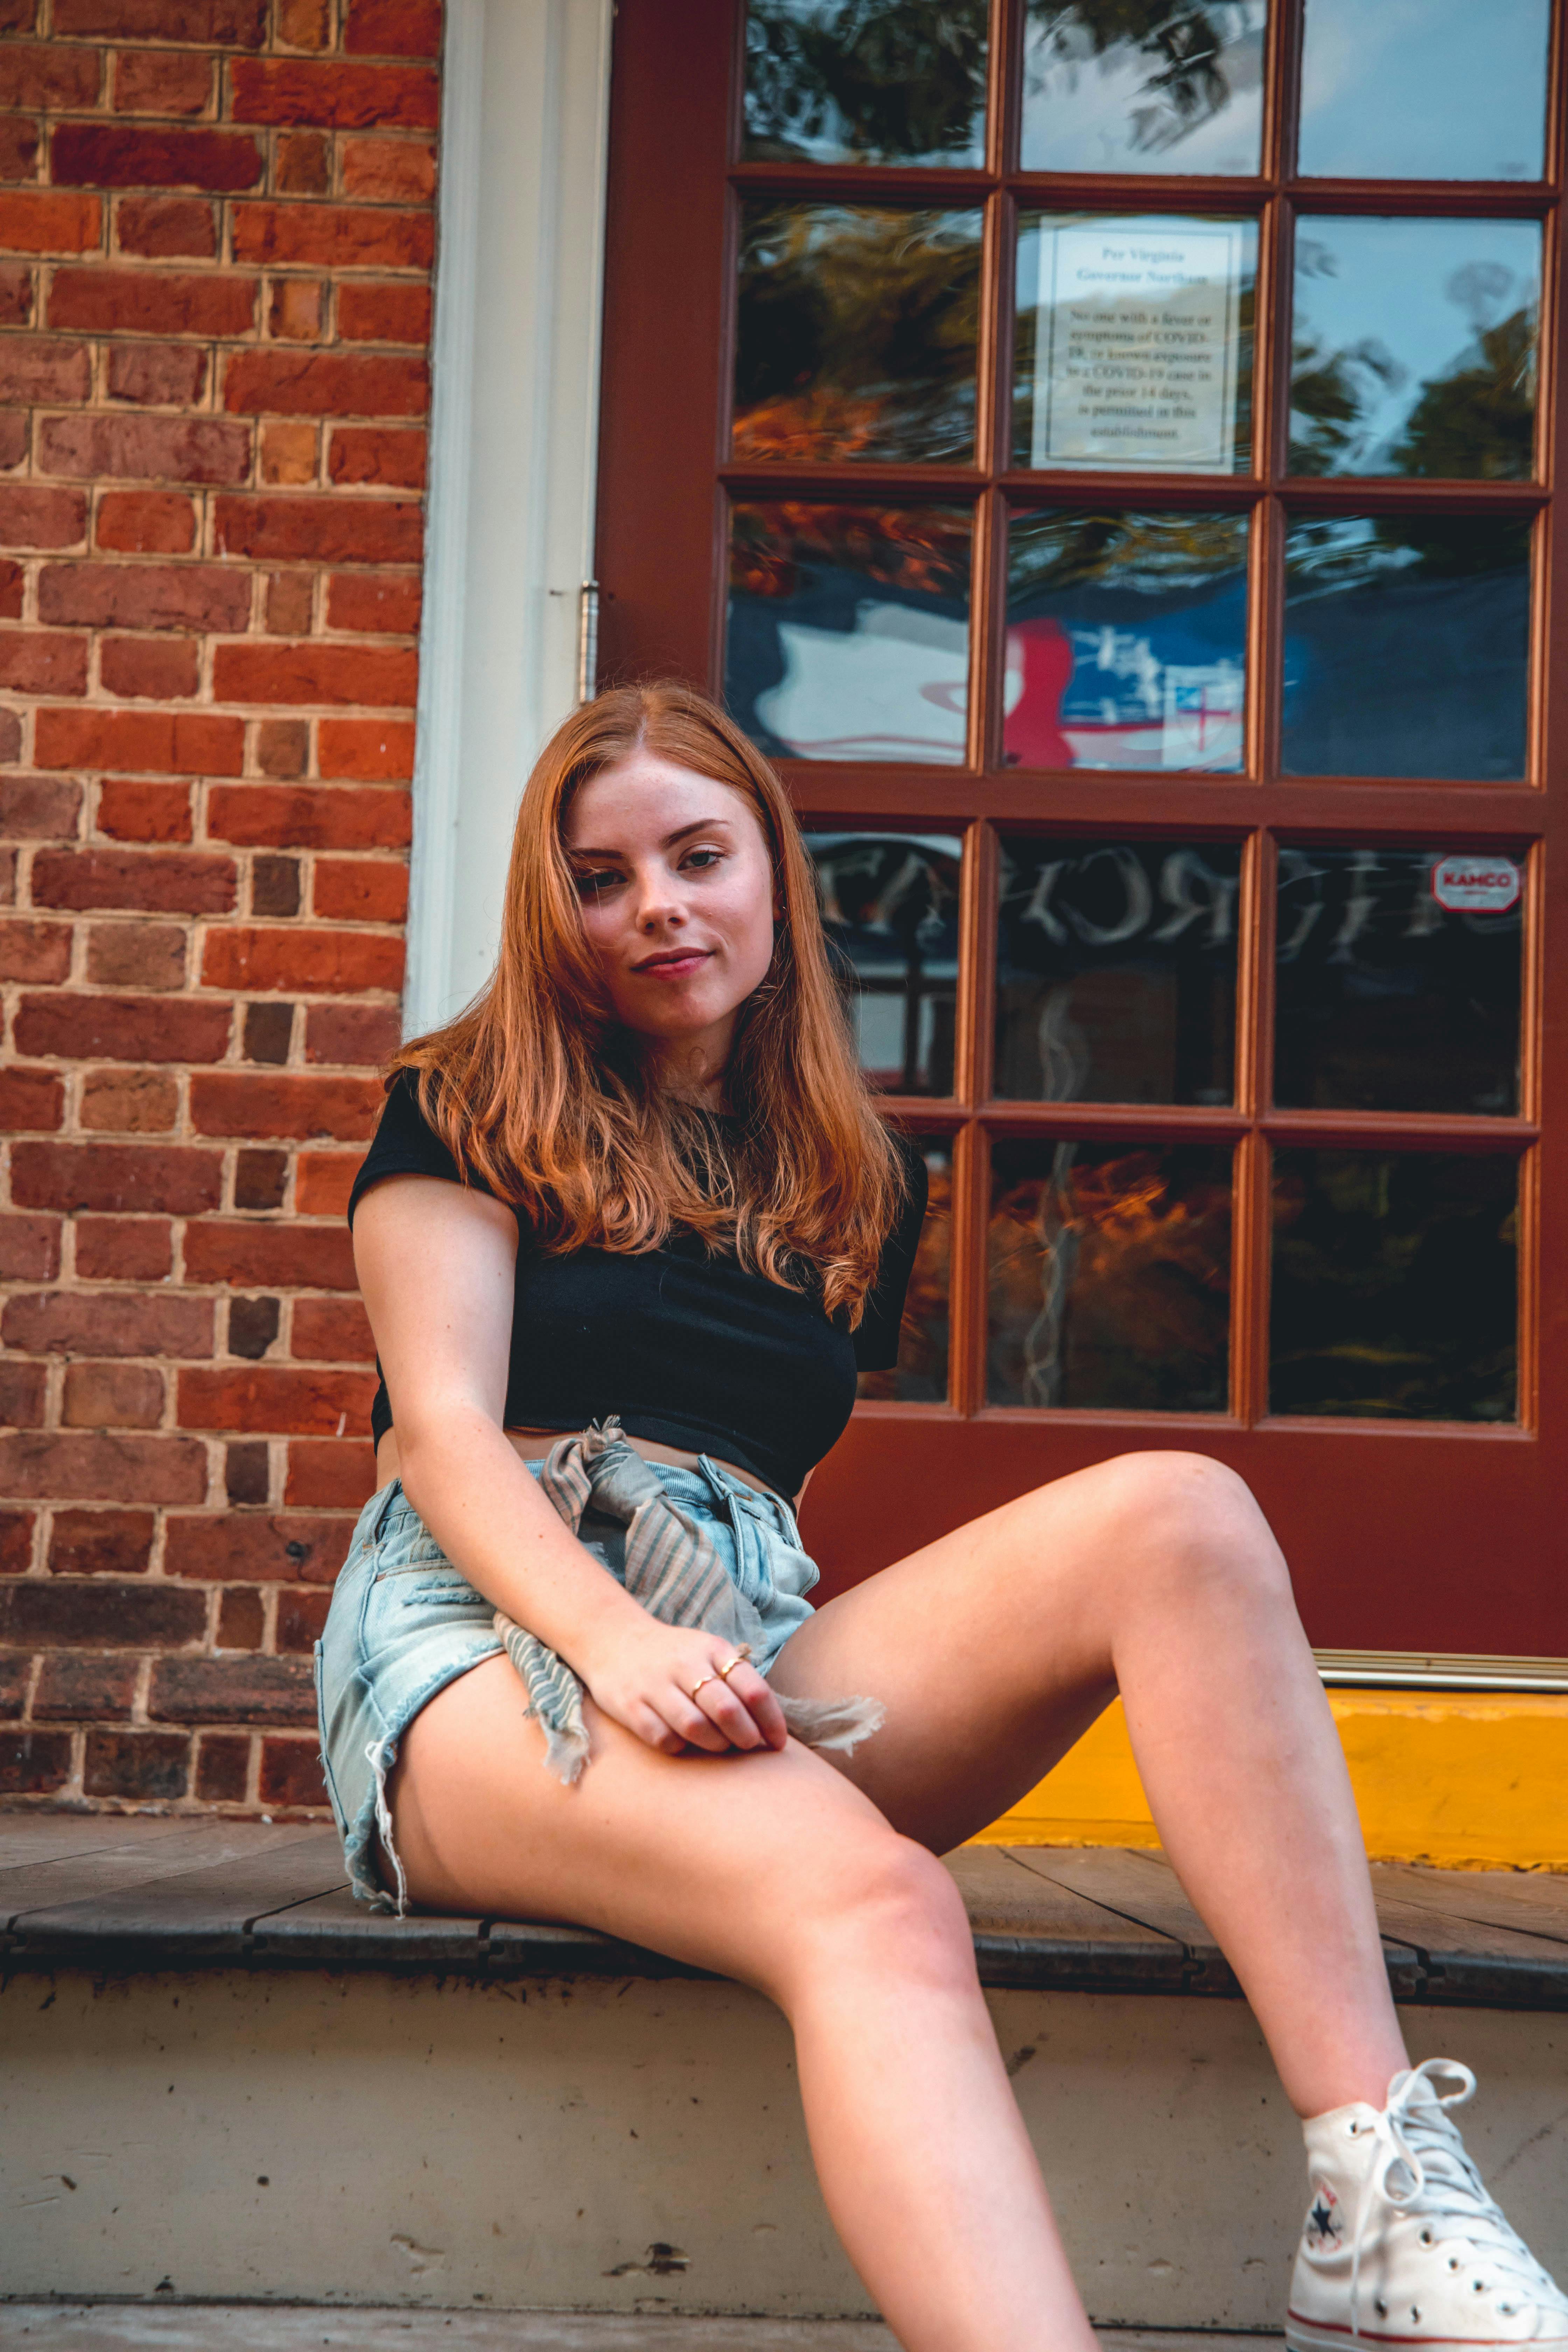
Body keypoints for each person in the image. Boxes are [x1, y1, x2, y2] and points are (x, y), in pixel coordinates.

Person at [316, 682, 1566, 2352]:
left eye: (698, 856)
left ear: (774, 872)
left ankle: (1375, 2197)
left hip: (734, 1638)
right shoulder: (468, 1098)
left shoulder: (847, 1171)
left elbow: (758, 1495)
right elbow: (443, 1435)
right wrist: (613, 1643)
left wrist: (701, 1656)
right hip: (483, 1649)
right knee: (884, 1900)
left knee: (1181, 1515)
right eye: (601, 879)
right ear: (554, 911)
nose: (657, 908)